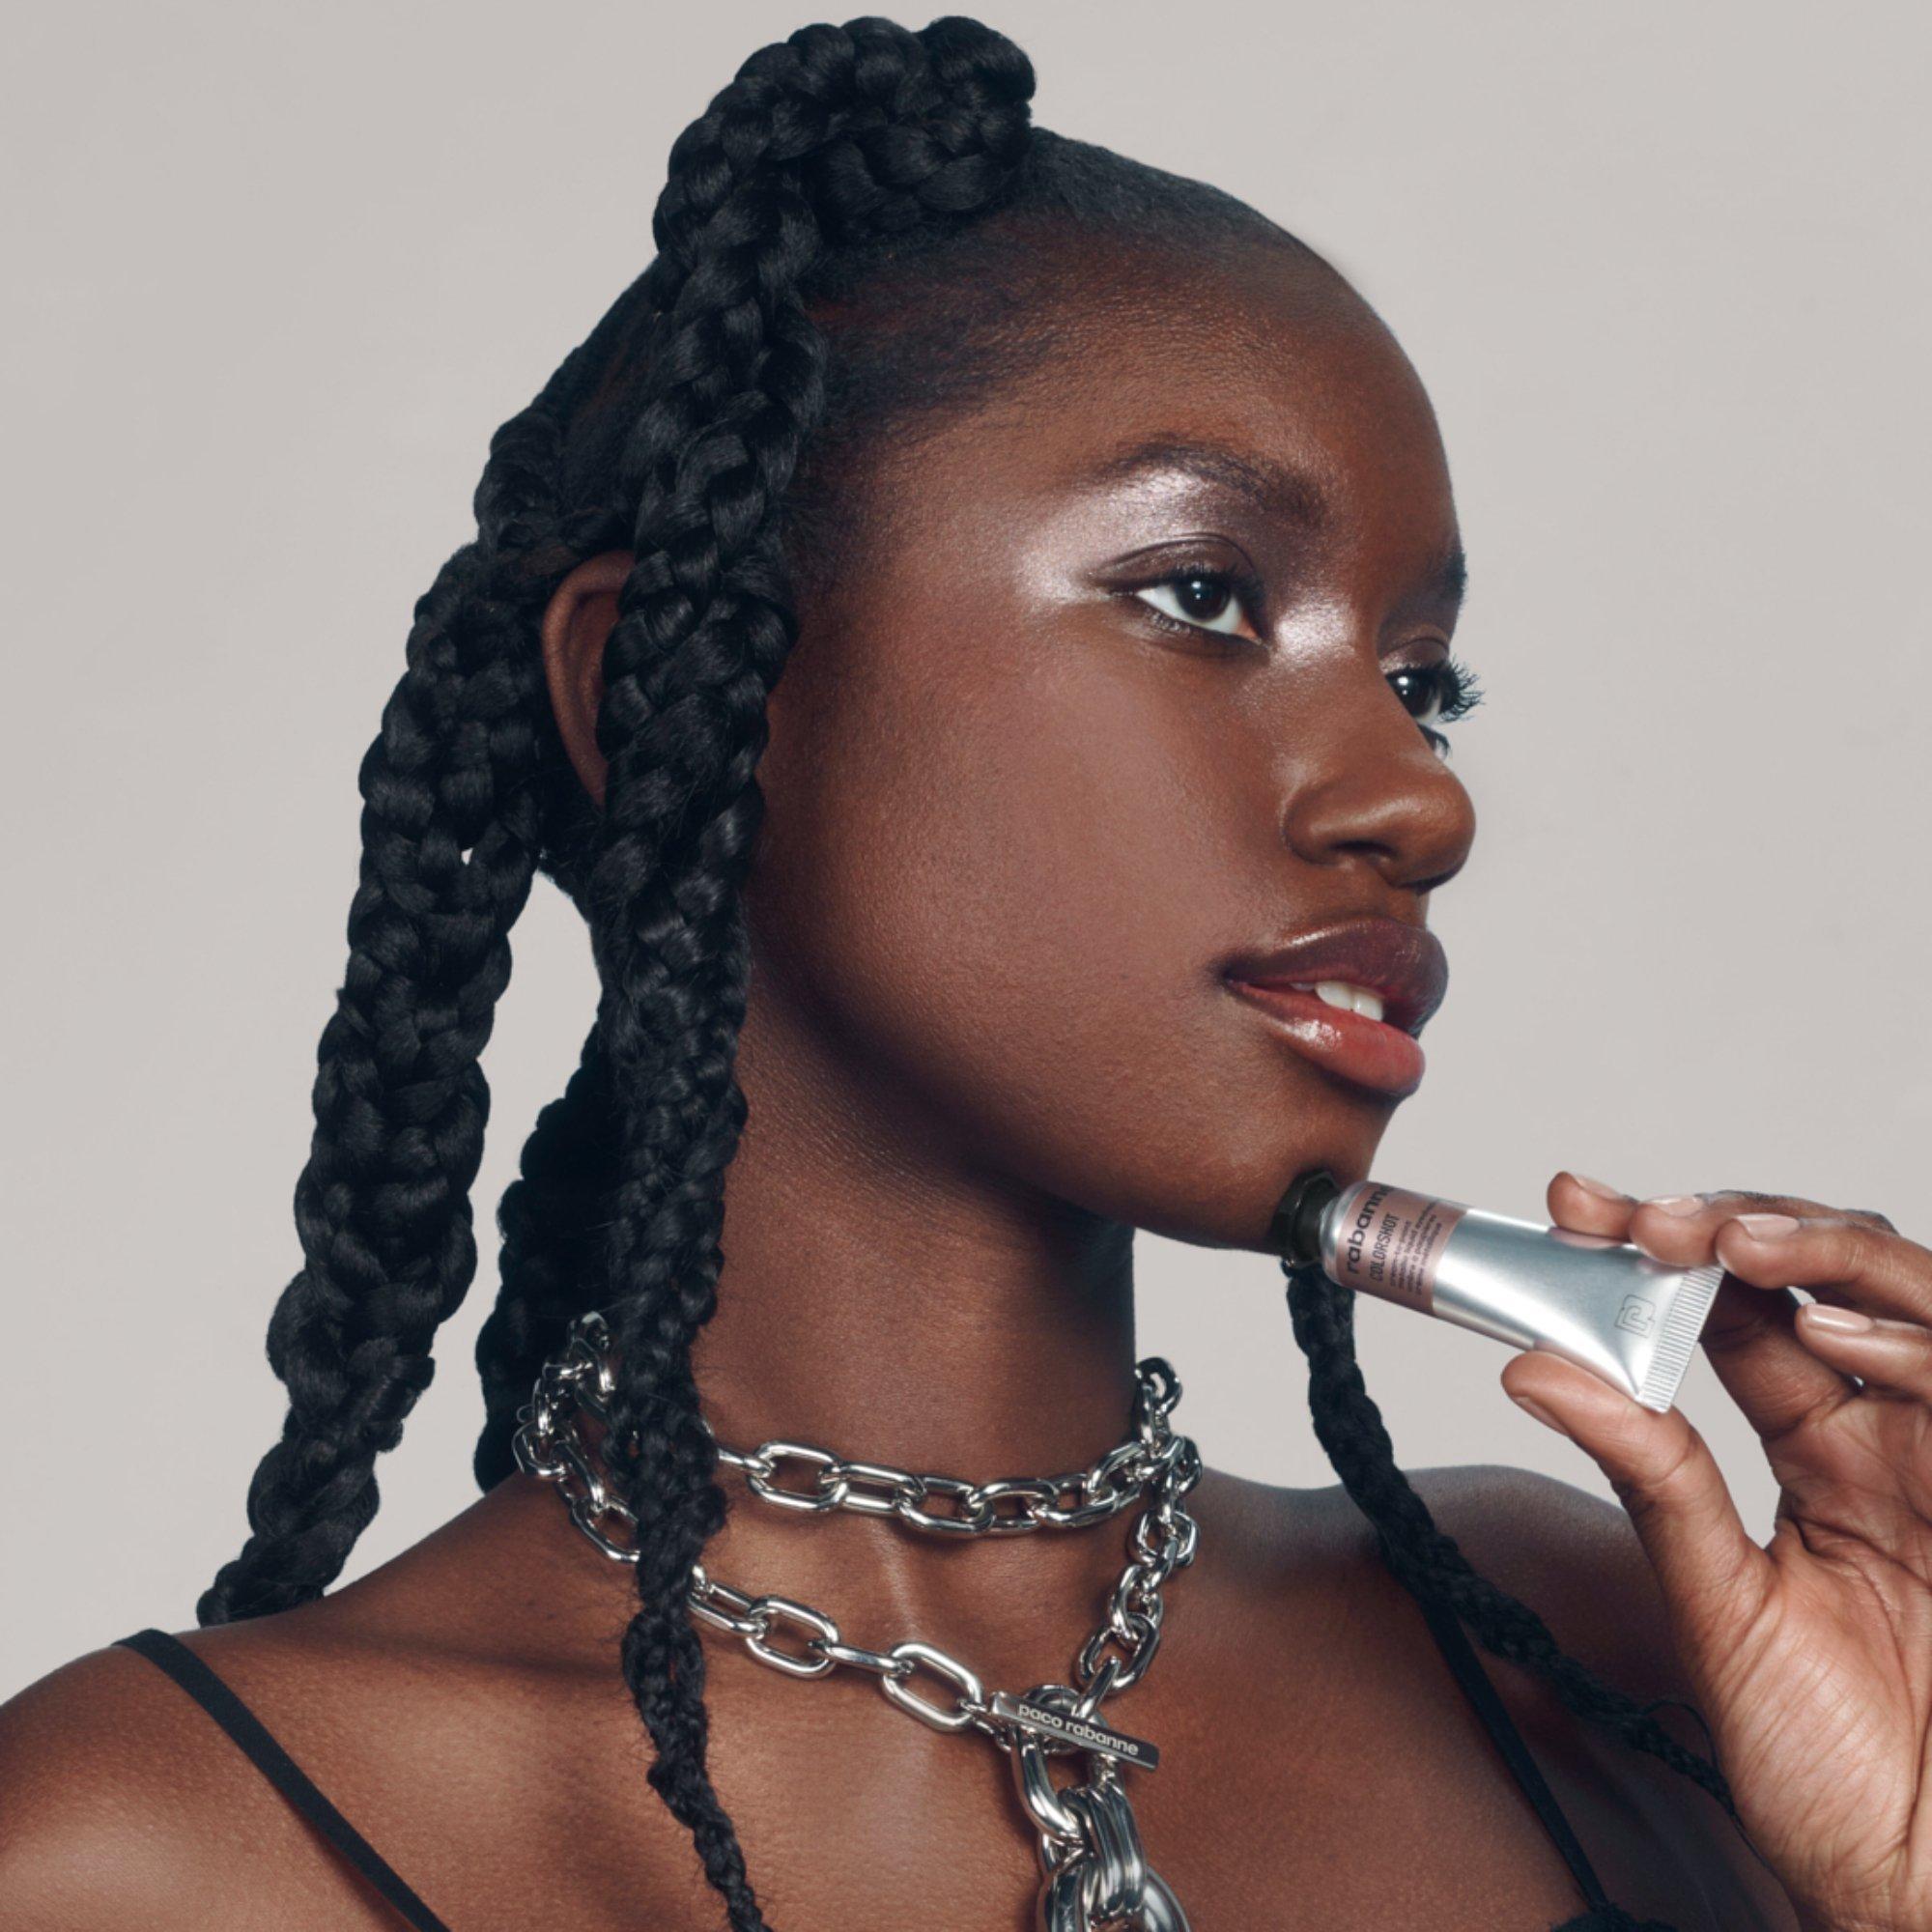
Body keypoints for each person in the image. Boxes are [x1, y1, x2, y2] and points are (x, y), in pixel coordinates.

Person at [1, 14, 1925, 1930]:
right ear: (677, 691)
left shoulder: (1590, 1655)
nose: (1419, 799)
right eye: (1202, 595)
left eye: (1422, 682)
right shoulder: (144, 1855)